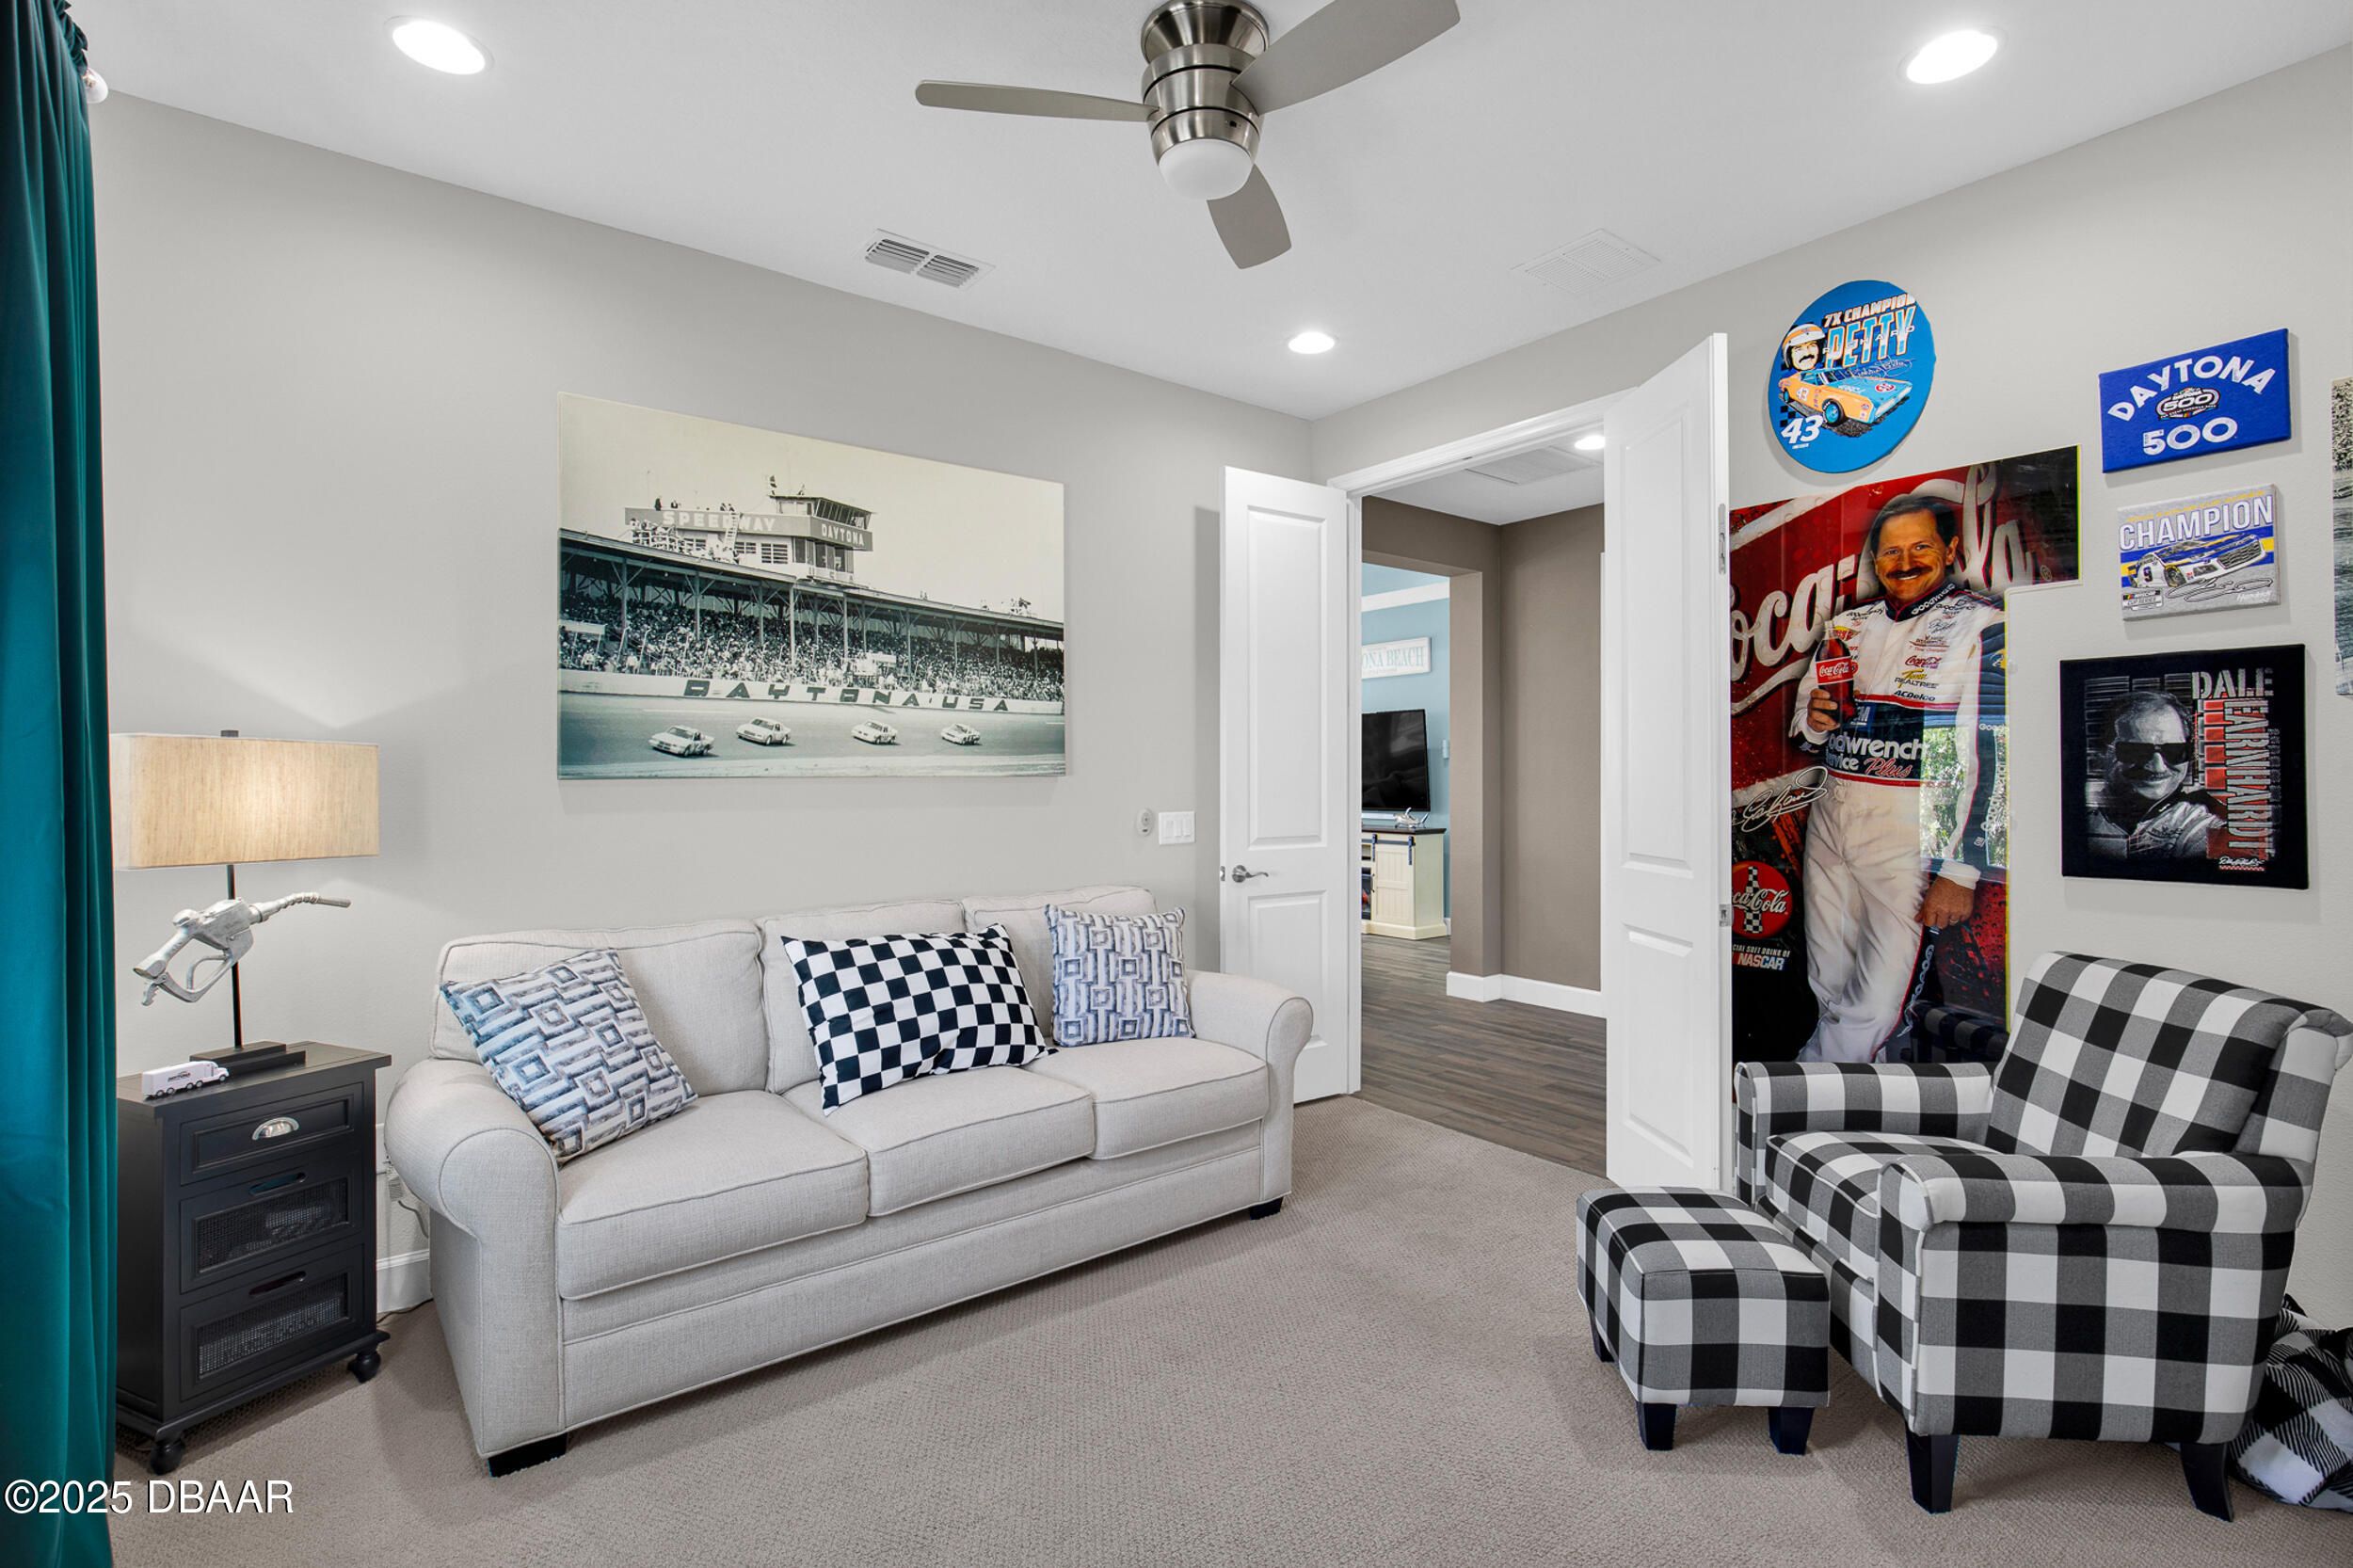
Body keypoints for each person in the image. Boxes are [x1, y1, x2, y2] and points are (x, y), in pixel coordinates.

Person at [1788, 488, 2005, 1064]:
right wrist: (1814, 721)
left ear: (1951, 549)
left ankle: (1805, 1088)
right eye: (1890, 552)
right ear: (1874, 559)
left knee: (1881, 992)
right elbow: (1805, 727)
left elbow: (1996, 756)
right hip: (1833, 815)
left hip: (1914, 830)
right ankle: (1861, 1098)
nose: (1904, 563)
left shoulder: (1985, 624)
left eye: (1920, 548)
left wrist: (1962, 872)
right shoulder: (1847, 625)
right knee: (1828, 975)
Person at [2085, 690, 2220, 862]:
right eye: (2137, 751)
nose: (2158, 767)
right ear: (2101, 754)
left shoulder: (2205, 825)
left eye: (2174, 750)